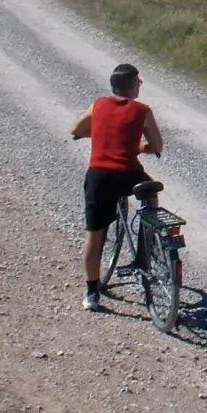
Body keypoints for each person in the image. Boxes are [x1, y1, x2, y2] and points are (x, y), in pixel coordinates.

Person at [70, 63, 164, 311]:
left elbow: (76, 129)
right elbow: (156, 145)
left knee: (94, 233)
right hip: (128, 175)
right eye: (139, 82)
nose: (140, 86)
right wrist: (140, 147)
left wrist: (98, 133)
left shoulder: (98, 105)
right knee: (150, 193)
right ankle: (146, 246)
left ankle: (91, 292)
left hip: (99, 176)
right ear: (131, 86)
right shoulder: (143, 111)